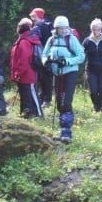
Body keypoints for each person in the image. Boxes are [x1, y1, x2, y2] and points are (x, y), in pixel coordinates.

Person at [43, 15, 86, 143]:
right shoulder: (51, 39)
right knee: (59, 102)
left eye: (64, 28)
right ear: (56, 28)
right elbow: (44, 53)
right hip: (57, 74)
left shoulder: (71, 39)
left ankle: (67, 132)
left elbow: (81, 56)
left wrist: (67, 61)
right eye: (60, 28)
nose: (62, 30)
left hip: (69, 73)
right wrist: (46, 61)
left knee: (66, 102)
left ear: (68, 27)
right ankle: (62, 130)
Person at [10, 18, 43, 118]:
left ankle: (38, 115)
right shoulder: (22, 40)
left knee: (31, 94)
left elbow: (24, 61)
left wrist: (17, 74)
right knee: (25, 96)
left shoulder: (24, 42)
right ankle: (26, 114)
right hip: (23, 74)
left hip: (28, 74)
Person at [29, 7, 54, 106]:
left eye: (33, 16)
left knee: (44, 77)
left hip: (41, 55)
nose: (32, 18)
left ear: (38, 16)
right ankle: (44, 98)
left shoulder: (39, 26)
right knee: (44, 77)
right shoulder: (49, 25)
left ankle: (46, 99)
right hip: (48, 55)